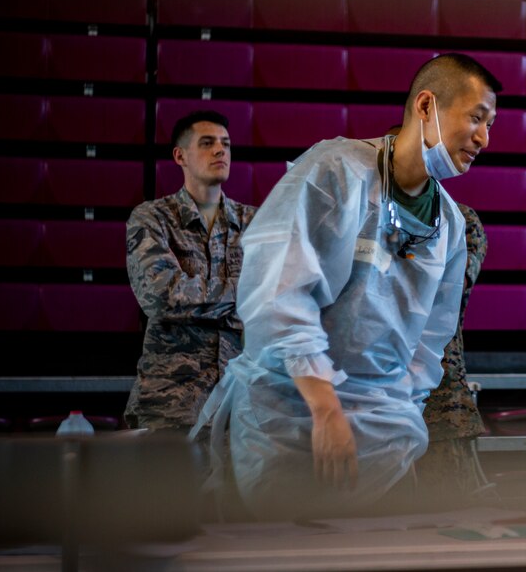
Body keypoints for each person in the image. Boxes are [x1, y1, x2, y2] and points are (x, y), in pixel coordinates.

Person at [192, 53, 500, 520]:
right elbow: (278, 294)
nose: (484, 138)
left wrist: (399, 419)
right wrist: (326, 408)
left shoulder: (450, 227)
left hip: (381, 431)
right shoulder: (336, 172)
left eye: (491, 124)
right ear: (426, 105)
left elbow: (427, 345)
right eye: (476, 118)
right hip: (288, 414)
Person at [376, 126, 490, 502]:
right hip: (372, 395)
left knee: (452, 514)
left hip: (441, 400)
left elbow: (435, 293)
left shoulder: (460, 221)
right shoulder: (365, 211)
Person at [124, 110, 256, 432]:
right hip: (171, 402)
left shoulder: (254, 222)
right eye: (207, 143)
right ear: (180, 155)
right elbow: (160, 296)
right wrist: (243, 294)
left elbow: (274, 297)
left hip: (239, 404)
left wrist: (195, 297)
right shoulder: (152, 218)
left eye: (225, 144)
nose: (220, 151)